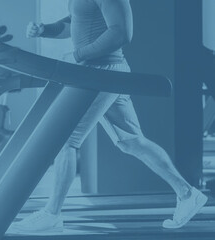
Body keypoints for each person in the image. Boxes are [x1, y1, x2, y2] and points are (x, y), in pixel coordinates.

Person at [13, 0, 207, 232]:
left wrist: (76, 55)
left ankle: (52, 215)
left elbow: (122, 33)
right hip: (98, 73)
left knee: (66, 140)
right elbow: (74, 22)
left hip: (102, 73)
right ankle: (187, 194)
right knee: (132, 142)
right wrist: (45, 29)